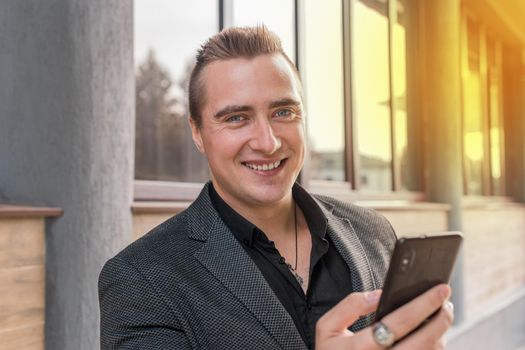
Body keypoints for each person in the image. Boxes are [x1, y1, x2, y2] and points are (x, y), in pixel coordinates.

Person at [99, 25, 453, 349]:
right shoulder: (141, 281)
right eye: (236, 118)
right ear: (197, 133)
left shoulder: (373, 232)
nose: (267, 143)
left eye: (283, 112)